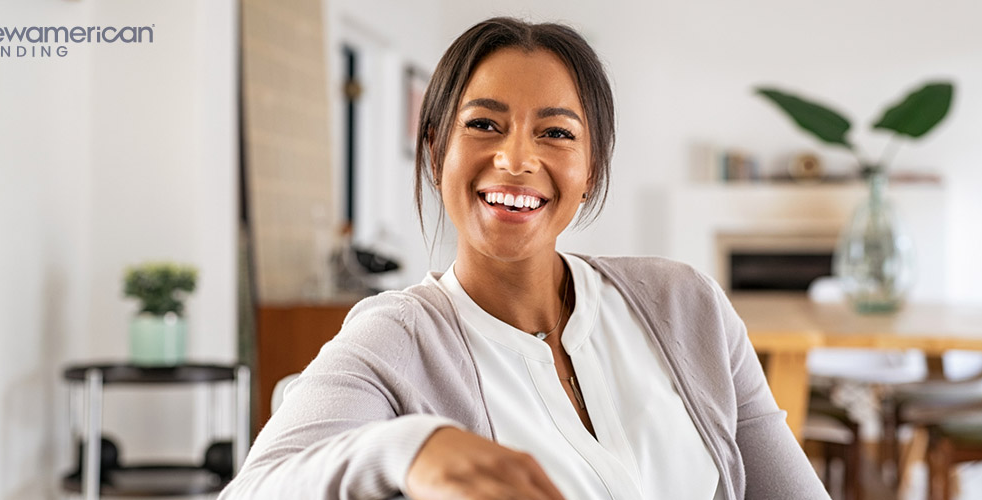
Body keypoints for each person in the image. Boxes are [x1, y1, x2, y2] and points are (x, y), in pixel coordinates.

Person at [220, 17, 829, 500]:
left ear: (590, 169)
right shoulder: (396, 339)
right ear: (436, 154)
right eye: (484, 124)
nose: (515, 159)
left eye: (557, 132)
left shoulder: (686, 305)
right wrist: (409, 448)